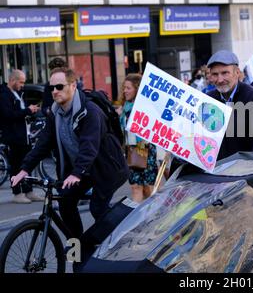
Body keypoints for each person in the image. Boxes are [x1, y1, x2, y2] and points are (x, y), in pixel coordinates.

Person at [11, 67, 129, 239]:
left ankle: (116, 244)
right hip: (84, 170)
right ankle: (78, 249)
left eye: (59, 86)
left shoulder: (90, 112)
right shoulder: (55, 113)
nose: (54, 91)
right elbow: (43, 144)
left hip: (108, 168)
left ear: (73, 86)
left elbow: (90, 146)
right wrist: (24, 169)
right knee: (66, 203)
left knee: (98, 207)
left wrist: (76, 173)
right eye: (51, 88)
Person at [206, 50, 253, 160]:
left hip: (246, 168)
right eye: (215, 74)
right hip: (218, 169)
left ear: (237, 73)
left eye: (225, 73)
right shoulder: (208, 99)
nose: (220, 80)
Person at [0, 70, 43, 204]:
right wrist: (27, 111)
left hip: (24, 135)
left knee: (27, 163)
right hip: (13, 136)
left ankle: (28, 191)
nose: (23, 85)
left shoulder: (18, 93)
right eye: (21, 82)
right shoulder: (3, 95)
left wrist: (30, 112)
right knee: (16, 165)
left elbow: (19, 113)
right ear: (13, 80)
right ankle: (17, 193)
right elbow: (8, 115)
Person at [117, 73, 158, 203]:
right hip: (131, 149)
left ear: (137, 88)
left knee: (148, 188)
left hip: (145, 148)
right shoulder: (125, 107)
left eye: (128, 88)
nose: (125, 91)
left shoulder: (145, 106)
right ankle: (138, 220)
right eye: (124, 88)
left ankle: (153, 217)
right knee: (135, 186)